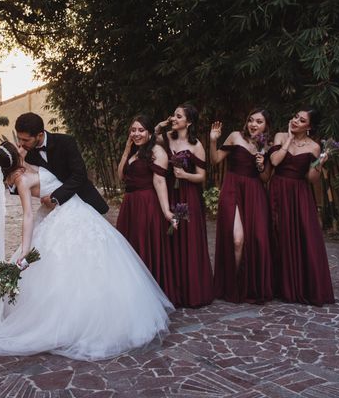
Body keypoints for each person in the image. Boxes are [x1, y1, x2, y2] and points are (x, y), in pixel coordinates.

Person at [0, 141, 174, 360]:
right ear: (16, 157)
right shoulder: (21, 179)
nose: (21, 145)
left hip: (70, 208)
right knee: (69, 266)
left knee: (88, 261)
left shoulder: (25, 165)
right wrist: (25, 249)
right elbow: (27, 215)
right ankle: (78, 323)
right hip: (63, 214)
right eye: (18, 145)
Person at [268, 108, 335, 306]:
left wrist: (320, 163)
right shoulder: (280, 136)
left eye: (302, 120)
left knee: (298, 235)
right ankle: (276, 285)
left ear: (310, 126)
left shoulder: (314, 147)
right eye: (296, 116)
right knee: (276, 232)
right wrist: (288, 139)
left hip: (299, 194)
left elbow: (311, 179)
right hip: (278, 189)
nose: (296, 120)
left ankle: (298, 284)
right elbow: (274, 161)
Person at [209, 109, 273, 304]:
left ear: (266, 126)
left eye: (259, 121)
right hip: (233, 189)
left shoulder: (267, 146)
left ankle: (250, 286)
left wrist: (261, 165)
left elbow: (265, 178)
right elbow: (215, 160)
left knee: (258, 240)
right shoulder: (235, 136)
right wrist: (212, 140)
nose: (253, 124)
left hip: (255, 194)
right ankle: (231, 286)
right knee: (237, 240)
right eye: (251, 120)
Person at [156, 104, 214, 308]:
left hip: (189, 195)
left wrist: (185, 175)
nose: (174, 118)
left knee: (188, 239)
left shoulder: (196, 144)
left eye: (178, 116)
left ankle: (192, 291)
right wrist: (159, 126)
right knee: (172, 237)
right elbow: (151, 142)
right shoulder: (166, 138)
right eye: (173, 115)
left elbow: (202, 176)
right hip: (170, 192)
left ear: (188, 122)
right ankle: (174, 290)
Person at [116, 115, 174, 290]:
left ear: (149, 133)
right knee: (129, 246)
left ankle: (147, 291)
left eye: (141, 130)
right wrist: (127, 149)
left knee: (142, 246)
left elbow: (159, 181)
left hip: (146, 204)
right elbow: (121, 175)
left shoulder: (157, 151)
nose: (136, 133)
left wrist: (166, 211)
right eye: (133, 130)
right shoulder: (134, 152)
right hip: (129, 205)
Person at [14, 112, 109, 214]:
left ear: (39, 135)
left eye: (25, 140)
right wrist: (17, 163)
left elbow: (79, 175)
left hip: (84, 201)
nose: (21, 143)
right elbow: (22, 185)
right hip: (56, 213)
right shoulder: (27, 154)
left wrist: (55, 198)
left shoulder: (66, 142)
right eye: (19, 138)